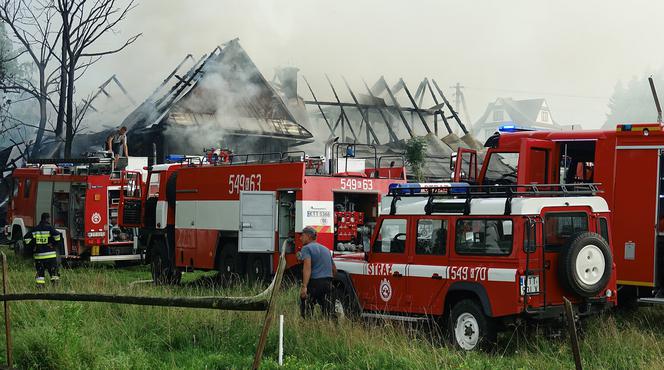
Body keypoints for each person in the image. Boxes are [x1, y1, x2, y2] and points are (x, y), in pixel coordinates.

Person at [299, 226, 337, 319]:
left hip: (315, 283)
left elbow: (307, 268)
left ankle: (307, 326)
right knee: (328, 313)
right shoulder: (326, 249)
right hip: (328, 283)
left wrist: (304, 286)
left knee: (307, 308)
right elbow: (334, 269)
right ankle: (328, 329)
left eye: (302, 235)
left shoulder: (306, 248)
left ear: (308, 236)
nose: (300, 238)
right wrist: (332, 282)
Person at [23, 213, 61, 286]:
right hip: (50, 256)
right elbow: (58, 236)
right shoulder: (50, 228)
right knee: (54, 272)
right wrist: (53, 244)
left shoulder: (35, 229)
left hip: (39, 256)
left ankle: (40, 287)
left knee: (40, 273)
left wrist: (33, 246)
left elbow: (26, 238)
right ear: (47, 219)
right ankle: (56, 286)